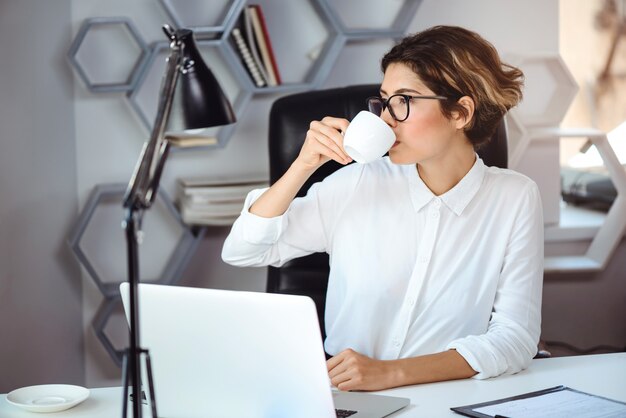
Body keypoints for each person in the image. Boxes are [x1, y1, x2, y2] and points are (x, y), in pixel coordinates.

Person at [222, 25, 543, 391]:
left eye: (404, 101)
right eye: (384, 101)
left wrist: (392, 373)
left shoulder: (514, 198)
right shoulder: (359, 182)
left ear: (460, 113)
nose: (385, 119)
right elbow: (243, 251)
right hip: (348, 399)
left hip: (447, 397)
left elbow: (515, 338)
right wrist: (303, 166)